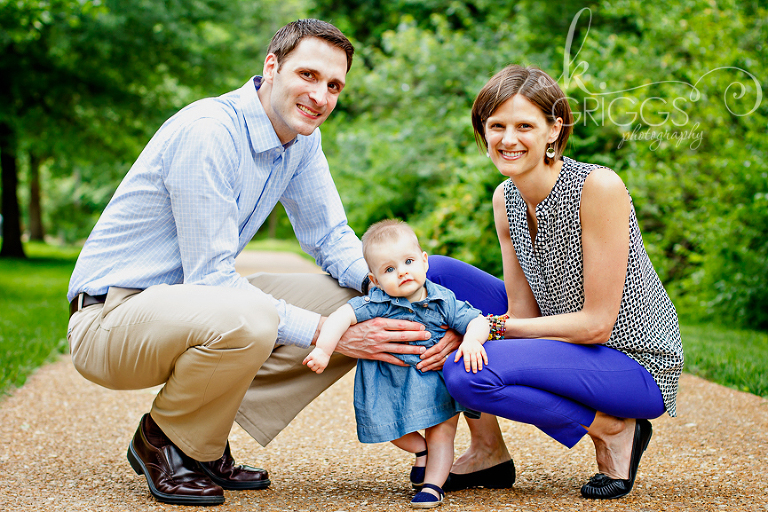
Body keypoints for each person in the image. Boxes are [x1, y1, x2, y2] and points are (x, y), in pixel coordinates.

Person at [65, 19, 446, 507]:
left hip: (187, 307)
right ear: (272, 66)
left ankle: (203, 433)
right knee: (255, 317)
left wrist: (392, 290)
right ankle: (165, 439)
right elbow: (212, 279)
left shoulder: (301, 139)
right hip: (111, 319)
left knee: (357, 301)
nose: (320, 96)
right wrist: (331, 335)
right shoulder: (209, 133)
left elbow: (330, 237)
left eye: (334, 86)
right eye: (308, 75)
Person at [430, 65, 685, 500]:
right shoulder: (505, 197)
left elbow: (596, 326)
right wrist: (468, 324)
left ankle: (614, 430)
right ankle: (488, 451)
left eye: (524, 126)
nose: (508, 139)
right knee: (433, 276)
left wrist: (483, 328)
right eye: (497, 126)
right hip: (564, 339)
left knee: (467, 372)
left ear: (554, 129)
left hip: (633, 364)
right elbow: (522, 312)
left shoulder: (597, 187)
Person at [304, 220, 490, 508]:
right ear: (375, 280)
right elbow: (341, 317)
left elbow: (477, 320)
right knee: (387, 426)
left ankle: (433, 486)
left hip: (436, 381)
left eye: (409, 261)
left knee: (442, 433)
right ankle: (422, 451)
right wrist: (323, 350)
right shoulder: (377, 302)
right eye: (389, 269)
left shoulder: (443, 300)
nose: (402, 271)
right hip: (391, 385)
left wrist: (472, 341)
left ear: (424, 261)